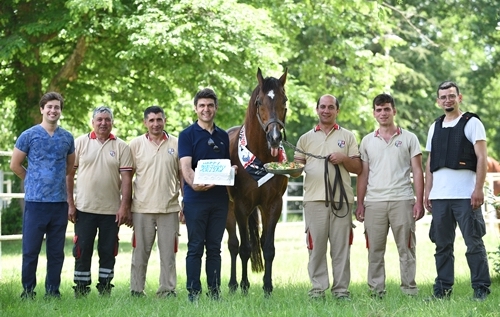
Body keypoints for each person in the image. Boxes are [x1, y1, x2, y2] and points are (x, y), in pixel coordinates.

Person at [424, 81, 491, 301]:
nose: (447, 100)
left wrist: (478, 189)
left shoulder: (472, 123)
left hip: (465, 195)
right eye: (443, 97)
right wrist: (427, 192)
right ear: (437, 101)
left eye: (451, 96)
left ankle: (481, 288)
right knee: (442, 245)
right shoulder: (434, 126)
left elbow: (482, 157)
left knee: (473, 243)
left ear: (459, 98)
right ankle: (442, 290)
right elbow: (430, 162)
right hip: (440, 197)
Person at [292, 94, 362, 300]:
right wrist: (288, 168)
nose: (326, 110)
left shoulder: (348, 136)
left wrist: (343, 159)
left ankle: (341, 291)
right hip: (314, 200)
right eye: (322, 106)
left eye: (331, 107)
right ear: (317, 109)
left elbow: (358, 167)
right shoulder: (305, 138)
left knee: (341, 248)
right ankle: (317, 290)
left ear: (337, 111)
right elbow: (297, 169)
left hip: (342, 200)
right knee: (316, 248)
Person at [355, 93, 424, 298]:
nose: (383, 113)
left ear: (394, 111)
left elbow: (418, 171)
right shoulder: (367, 141)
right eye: (379, 109)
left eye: (386, 109)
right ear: (374, 113)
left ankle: (409, 290)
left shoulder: (409, 138)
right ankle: (376, 291)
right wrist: (360, 203)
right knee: (375, 251)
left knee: (407, 248)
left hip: (402, 200)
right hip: (374, 202)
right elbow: (363, 174)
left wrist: (418, 201)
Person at [10, 92, 75, 300]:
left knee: (56, 253)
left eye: (57, 107)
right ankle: (27, 291)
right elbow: (15, 164)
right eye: (49, 107)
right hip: (35, 203)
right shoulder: (29, 135)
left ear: (60, 111)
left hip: (58, 204)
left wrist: (54, 181)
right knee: (30, 251)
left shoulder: (67, 137)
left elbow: (70, 166)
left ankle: (52, 291)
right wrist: (31, 179)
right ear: (42, 109)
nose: (53, 110)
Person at [67, 106, 133, 297]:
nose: (103, 123)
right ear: (93, 122)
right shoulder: (80, 143)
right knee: (82, 249)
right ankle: (80, 288)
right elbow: (69, 175)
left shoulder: (122, 146)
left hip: (112, 211)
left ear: (112, 122)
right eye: (99, 119)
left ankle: (105, 287)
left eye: (107, 119)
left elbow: (127, 179)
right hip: (84, 208)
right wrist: (70, 203)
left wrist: (124, 207)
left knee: (108, 250)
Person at [178, 88, 235, 302]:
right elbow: (185, 167)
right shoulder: (186, 135)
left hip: (219, 201)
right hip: (195, 200)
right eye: (202, 105)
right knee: (195, 247)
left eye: (210, 105)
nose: (206, 109)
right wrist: (194, 185)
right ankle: (193, 292)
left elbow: (223, 166)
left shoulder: (222, 136)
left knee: (214, 248)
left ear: (216, 108)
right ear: (195, 108)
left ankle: (214, 292)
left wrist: (231, 172)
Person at [129, 106, 182, 298]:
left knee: (168, 255)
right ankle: (136, 289)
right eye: (151, 120)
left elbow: (182, 176)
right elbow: (127, 178)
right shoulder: (135, 145)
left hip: (169, 208)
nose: (155, 124)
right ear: (145, 123)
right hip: (142, 208)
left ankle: (167, 290)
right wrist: (126, 207)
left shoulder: (177, 143)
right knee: (140, 253)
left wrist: (184, 206)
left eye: (159, 119)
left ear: (165, 120)